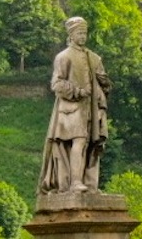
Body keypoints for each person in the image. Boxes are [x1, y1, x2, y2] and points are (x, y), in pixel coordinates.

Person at [38, 16, 112, 194]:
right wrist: (77, 91)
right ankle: (74, 182)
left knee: (91, 145)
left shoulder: (94, 58)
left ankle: (90, 184)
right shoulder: (64, 57)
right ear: (71, 35)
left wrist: (103, 86)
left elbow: (104, 84)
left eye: (84, 33)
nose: (82, 36)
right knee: (78, 142)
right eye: (79, 33)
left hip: (91, 110)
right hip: (71, 111)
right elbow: (57, 84)